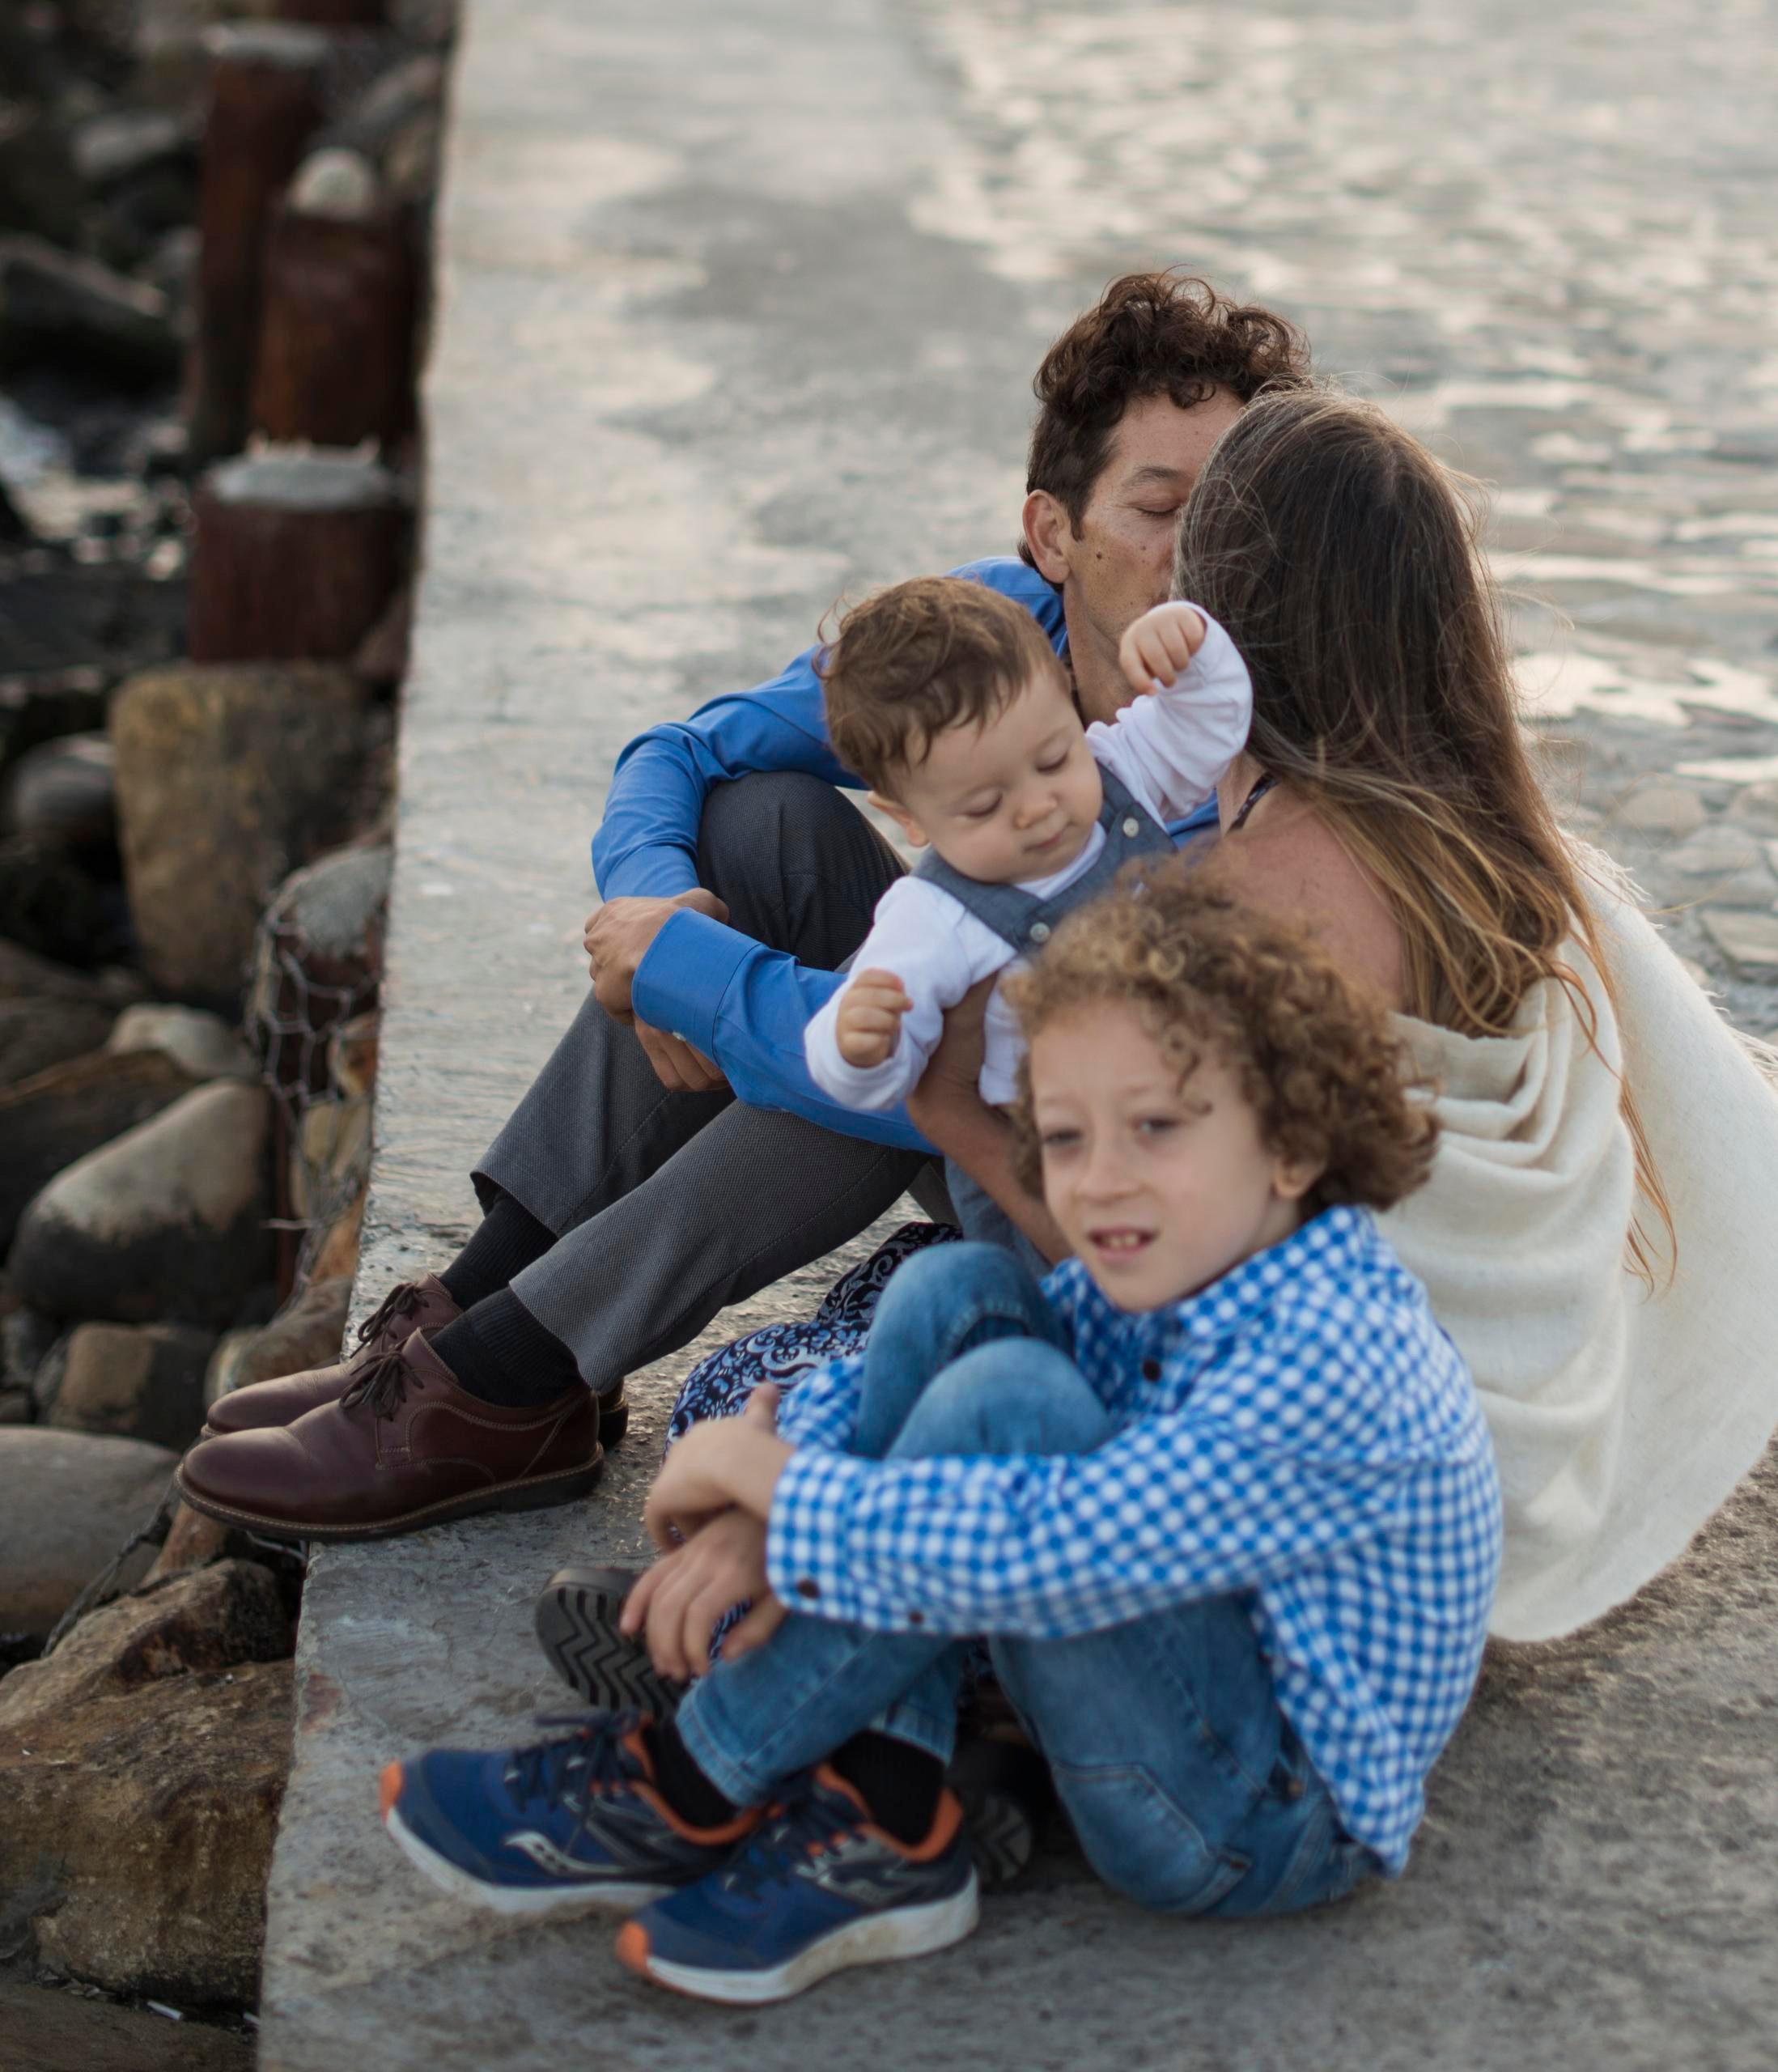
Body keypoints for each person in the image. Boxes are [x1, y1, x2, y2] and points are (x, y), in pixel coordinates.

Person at [172, 273, 1313, 1544]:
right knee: (761, 817)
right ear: (1053, 534)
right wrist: (660, 910)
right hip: (974, 1082)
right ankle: (469, 1313)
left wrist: (692, 977)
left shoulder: (1249, 743)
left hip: (1081, 1178)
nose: (1205, 550)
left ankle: (511, 1375)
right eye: (1161, 508)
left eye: (1240, 512)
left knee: (899, 1040)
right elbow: (684, 751)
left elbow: (1056, 1062)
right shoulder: (989, 635)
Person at [378, 877, 1500, 2004]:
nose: (1100, 1180)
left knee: (1007, 1397)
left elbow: (1057, 1540)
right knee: (959, 1287)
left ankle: (692, 1775)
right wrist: (774, 1494)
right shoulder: (1192, 1253)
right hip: (1173, 1674)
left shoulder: (1330, 1363)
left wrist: (783, 1491)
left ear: (1294, 1144)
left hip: (1249, 1818)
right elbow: (921, 1386)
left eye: (1156, 1127)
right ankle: (886, 1805)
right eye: (1062, 1138)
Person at [803, 580, 1249, 1119]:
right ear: (908, 818)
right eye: (984, 805)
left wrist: (1189, 647)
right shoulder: (932, 916)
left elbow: (1209, 726)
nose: (1037, 807)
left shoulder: (1118, 771)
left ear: (1068, 702)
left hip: (1203, 1081)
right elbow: (884, 1070)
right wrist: (856, 1049)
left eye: (1053, 761)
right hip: (1062, 1152)